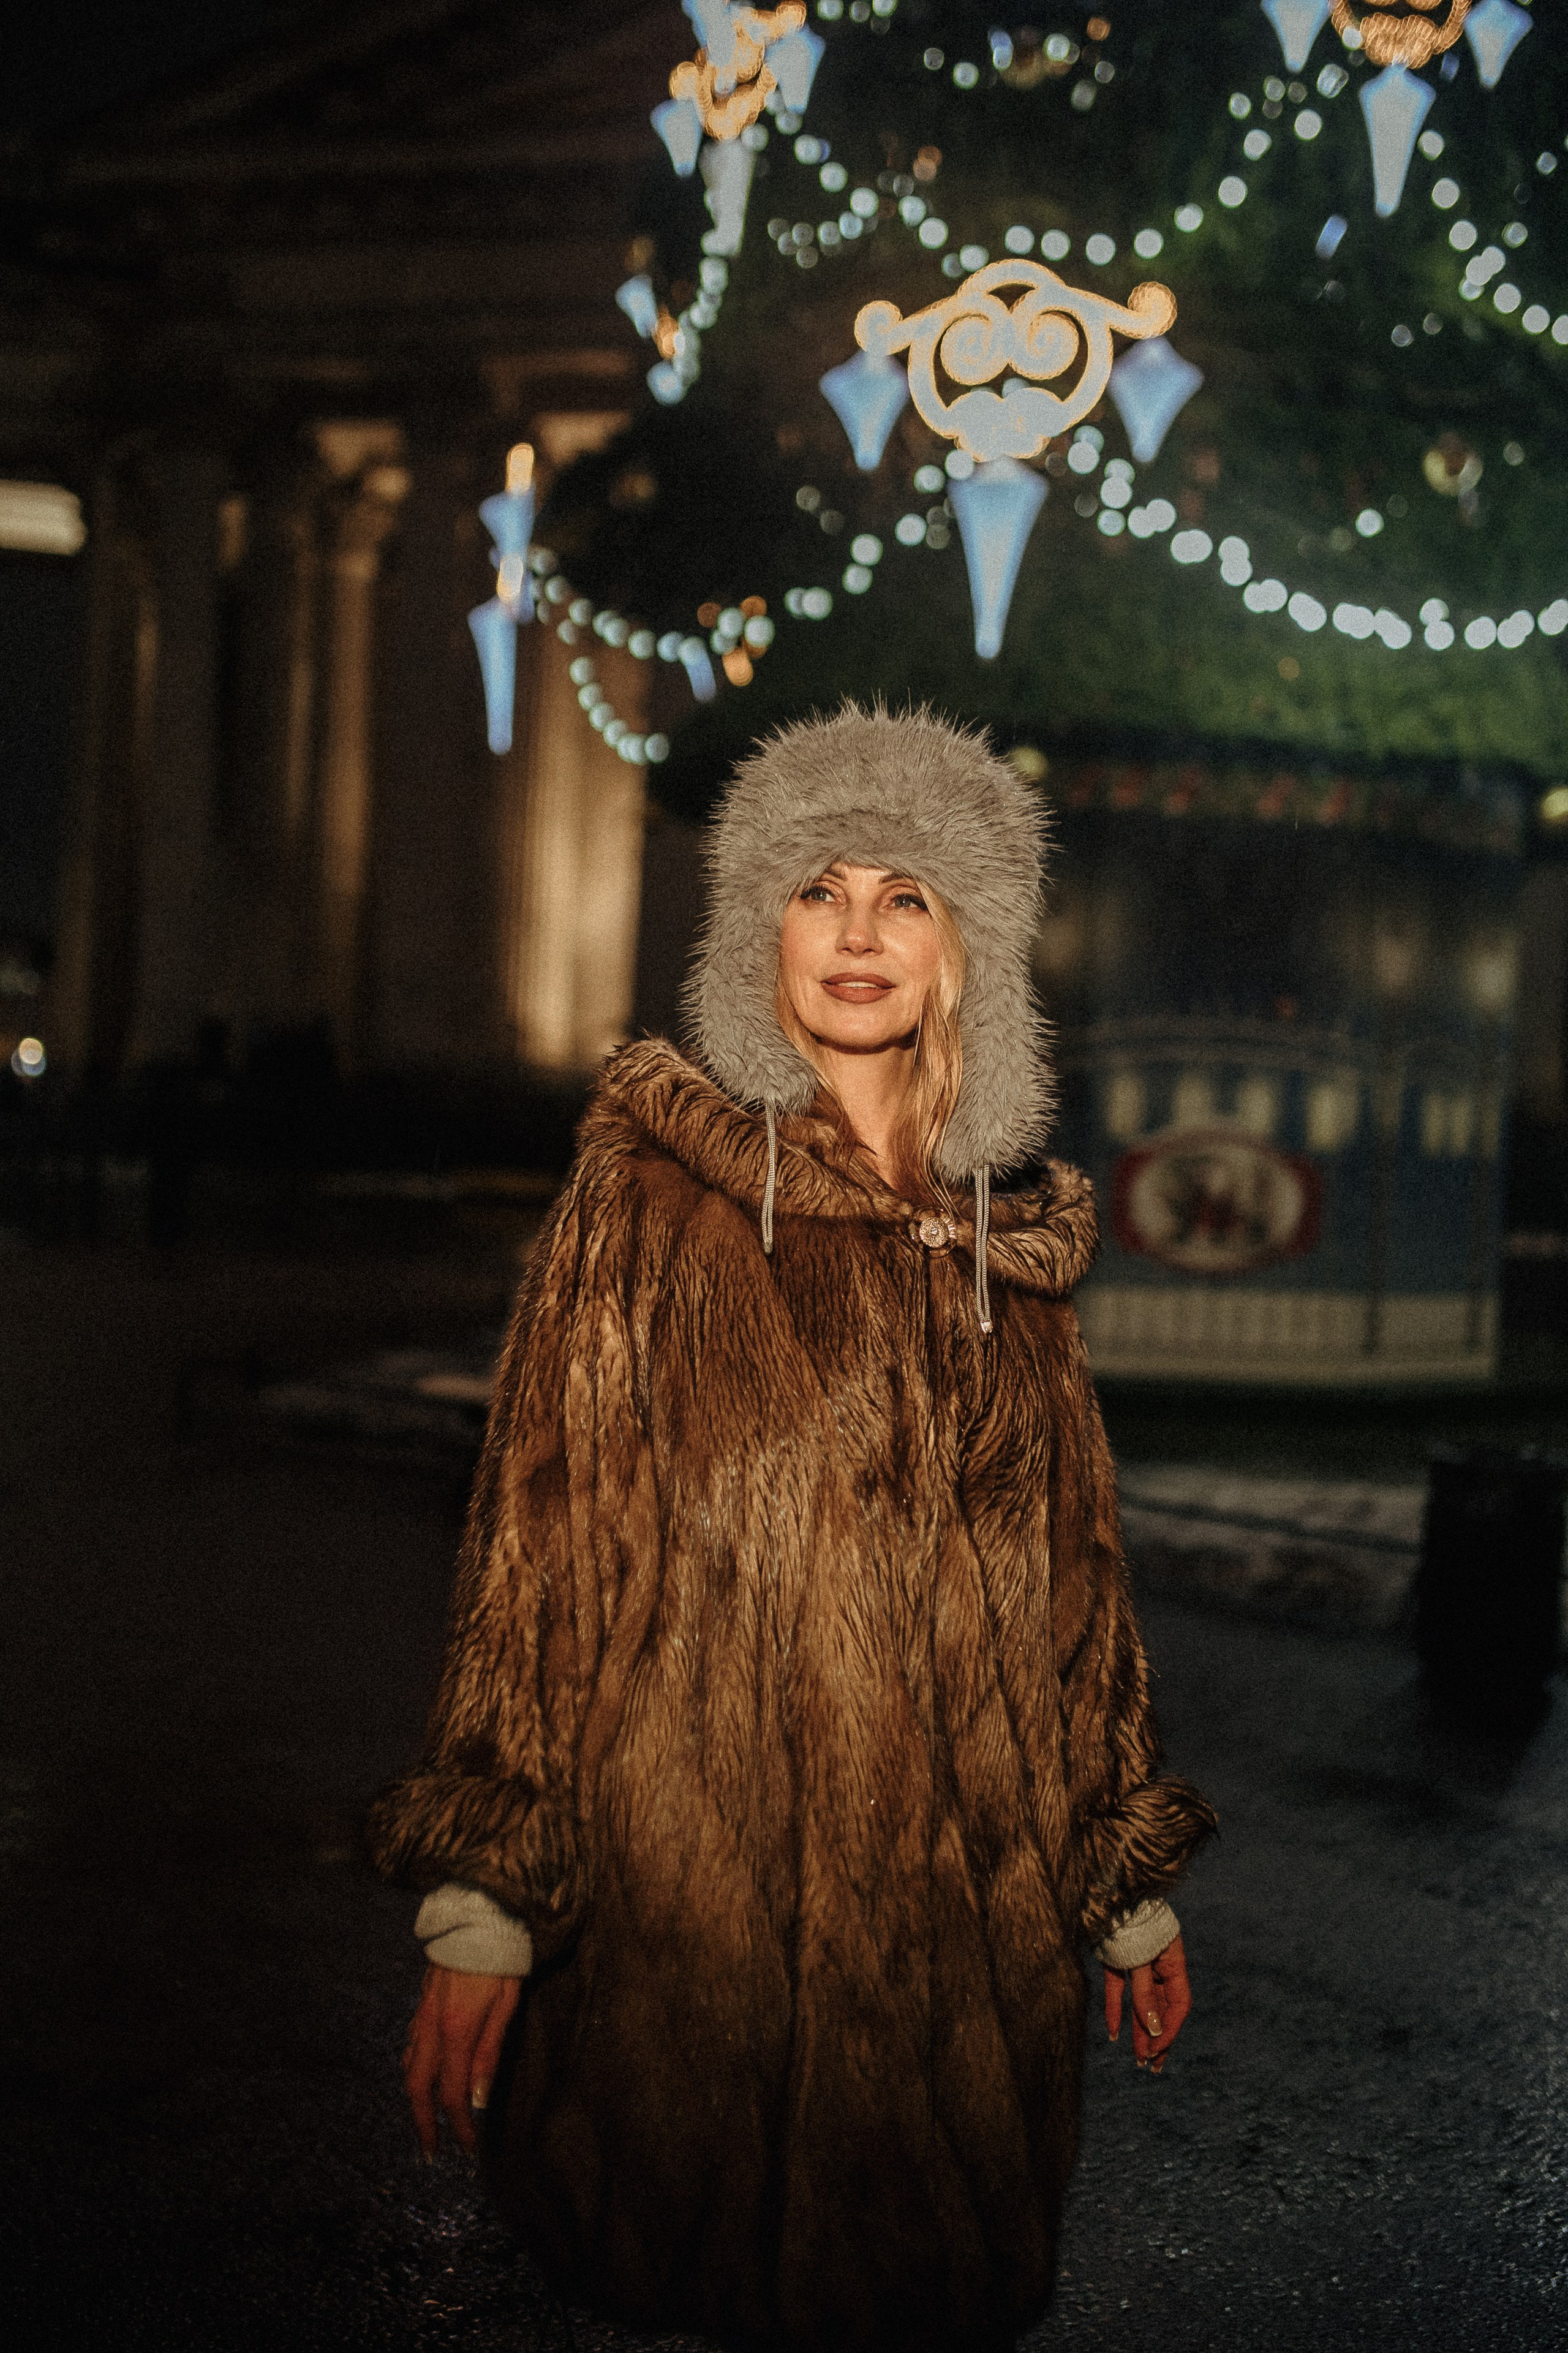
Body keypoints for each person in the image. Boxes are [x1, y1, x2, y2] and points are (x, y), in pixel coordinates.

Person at [369, 704, 1215, 2352]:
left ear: (962, 943)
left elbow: (1072, 1589)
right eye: (819, 887)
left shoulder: (1010, 1245)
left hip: (964, 1969)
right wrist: (487, 1898)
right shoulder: (656, 1191)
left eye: (905, 894)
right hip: (690, 1944)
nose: (857, 931)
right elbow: (546, 1553)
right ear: (761, 918)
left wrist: (1122, 1877)